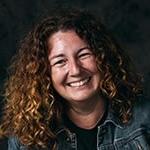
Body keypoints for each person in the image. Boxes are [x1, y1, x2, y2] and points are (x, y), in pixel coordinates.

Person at [0, 8, 150, 150]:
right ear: (44, 73)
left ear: (103, 58)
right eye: (60, 61)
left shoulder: (144, 118)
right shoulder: (26, 137)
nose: (76, 70)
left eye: (84, 55)